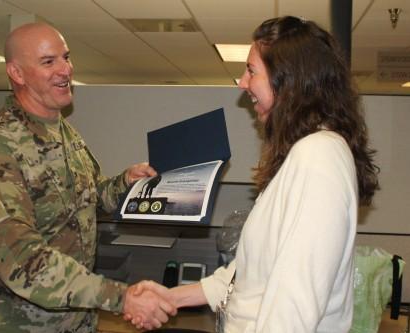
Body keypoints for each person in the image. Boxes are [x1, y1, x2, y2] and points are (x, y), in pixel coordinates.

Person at [126, 16, 379, 333]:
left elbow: (295, 306)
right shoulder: (302, 155)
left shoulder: (318, 157)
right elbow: (249, 274)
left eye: (251, 70)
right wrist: (172, 296)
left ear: (287, 79)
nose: (243, 83)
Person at [0, 22, 175, 333]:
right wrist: (121, 298)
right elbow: (21, 260)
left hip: (74, 321)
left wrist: (126, 182)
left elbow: (88, 203)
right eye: (48, 62)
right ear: (17, 74)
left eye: (66, 57)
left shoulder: (65, 133)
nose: (65, 70)